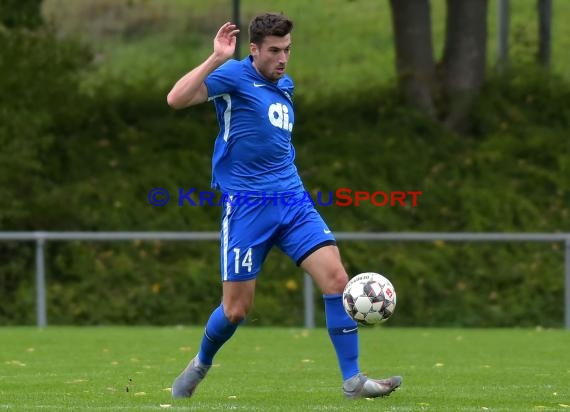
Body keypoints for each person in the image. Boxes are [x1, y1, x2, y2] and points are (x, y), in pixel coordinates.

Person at [166, 12, 402, 400]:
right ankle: (200, 364)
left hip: (293, 202)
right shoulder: (234, 77)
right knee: (235, 311)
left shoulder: (285, 85)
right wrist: (216, 58)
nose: (282, 58)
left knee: (337, 280)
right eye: (274, 51)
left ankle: (353, 380)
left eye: (287, 49)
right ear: (254, 50)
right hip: (246, 209)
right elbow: (176, 99)